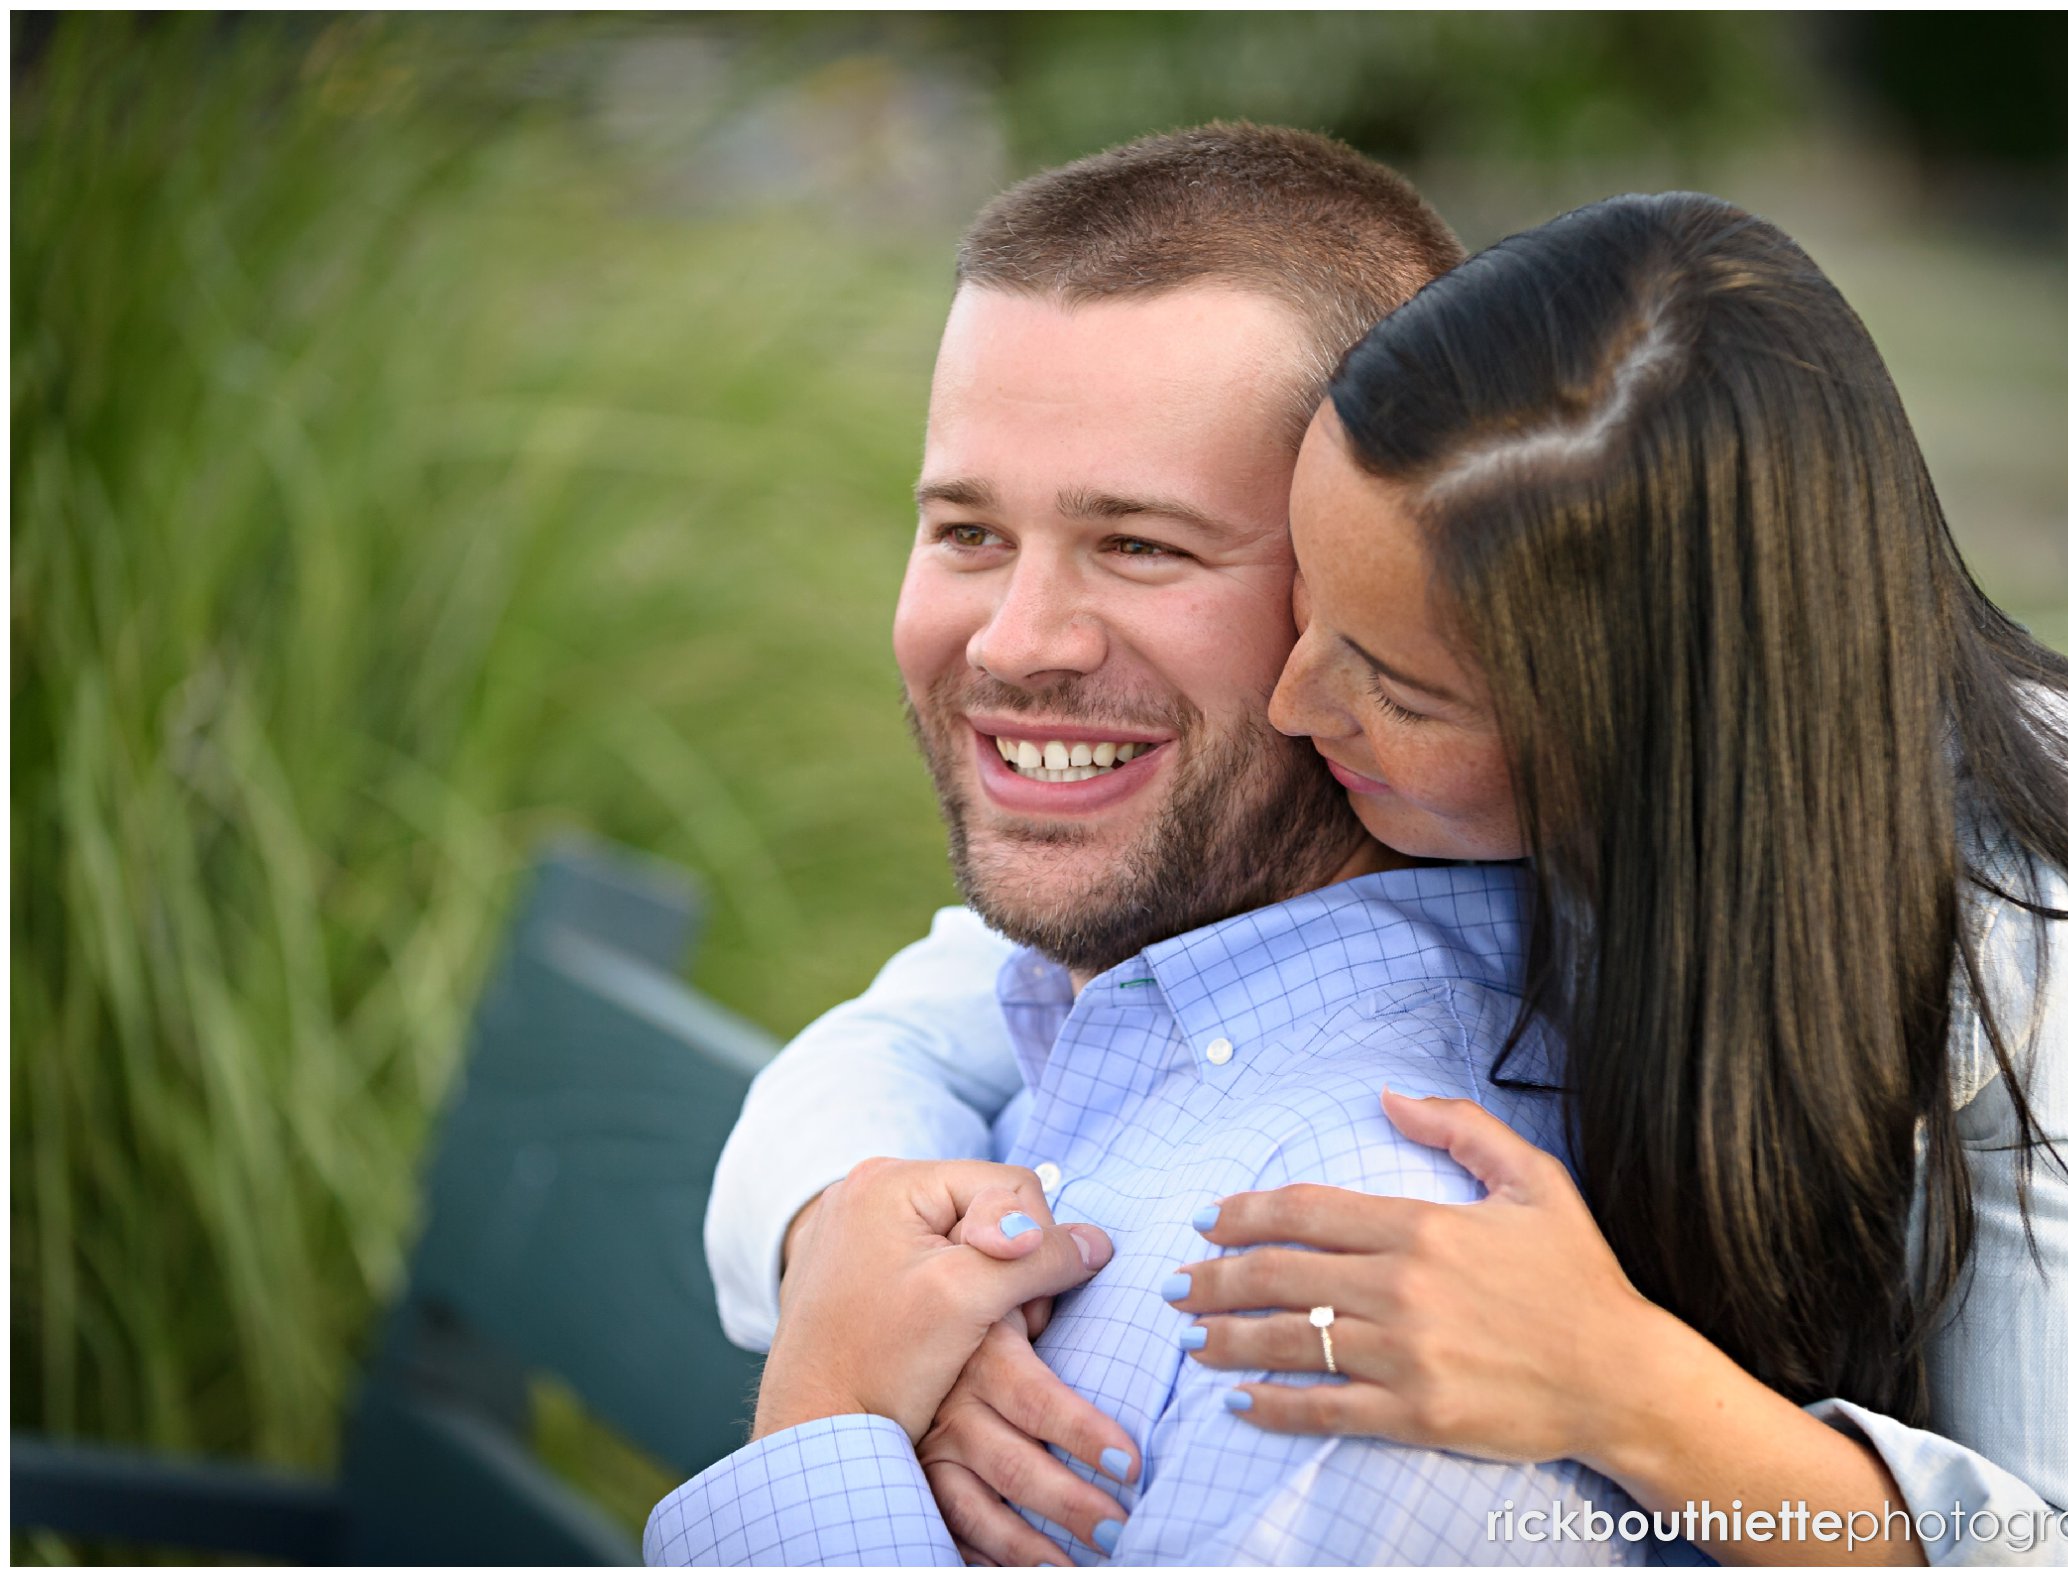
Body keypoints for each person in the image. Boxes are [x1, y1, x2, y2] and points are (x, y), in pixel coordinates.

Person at [705, 186, 2068, 1566]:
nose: (1293, 704)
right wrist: (854, 1263)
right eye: (1310, 619)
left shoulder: (2015, 897)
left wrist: (1617, 1381)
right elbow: (916, 1021)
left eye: (1395, 684)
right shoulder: (1501, 781)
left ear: (1637, 723)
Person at [649, 123, 1706, 1567]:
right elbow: (911, 1019)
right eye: (966, 530)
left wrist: (827, 1420)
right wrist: (836, 1226)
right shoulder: (1110, 1000)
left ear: (1388, 579)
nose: (1015, 645)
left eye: (1140, 545)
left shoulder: (1374, 1291)